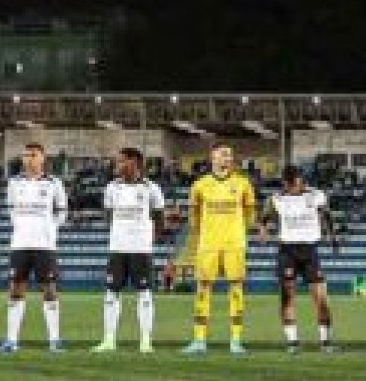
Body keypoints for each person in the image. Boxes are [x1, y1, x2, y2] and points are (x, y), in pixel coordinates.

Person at [183, 142, 256, 356]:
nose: (227, 158)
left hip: (234, 243)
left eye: (230, 155)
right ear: (212, 157)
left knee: (236, 288)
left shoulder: (243, 183)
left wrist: (241, 232)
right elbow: (194, 215)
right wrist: (202, 234)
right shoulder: (200, 185)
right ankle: (199, 340)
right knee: (203, 288)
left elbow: (250, 214)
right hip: (208, 244)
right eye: (223, 154)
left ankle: (235, 340)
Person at [258, 164, 337, 355]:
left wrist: (332, 236)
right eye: (292, 183)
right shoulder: (276, 199)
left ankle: (325, 341)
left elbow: (326, 214)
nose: (297, 186)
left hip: (310, 251)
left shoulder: (316, 195)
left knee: (320, 297)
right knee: (287, 297)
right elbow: (263, 218)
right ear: (285, 183)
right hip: (287, 251)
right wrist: (263, 232)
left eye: (299, 181)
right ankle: (293, 342)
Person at [96, 147, 166, 353]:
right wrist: (119, 233)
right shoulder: (111, 187)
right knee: (111, 293)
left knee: (144, 294)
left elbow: (159, 217)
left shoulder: (151, 188)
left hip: (141, 248)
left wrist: (149, 239)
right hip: (117, 248)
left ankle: (145, 340)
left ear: (134, 162)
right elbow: (108, 214)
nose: (117, 165)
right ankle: (109, 340)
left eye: (121, 161)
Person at [1, 143, 69, 354]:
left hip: (44, 245)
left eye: (33, 155)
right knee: (15, 289)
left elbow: (62, 212)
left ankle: (54, 340)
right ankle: (11, 340)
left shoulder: (53, 183)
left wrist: (48, 228)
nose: (28, 159)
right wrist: (23, 227)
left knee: (49, 290)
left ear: (42, 159)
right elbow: (11, 209)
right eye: (25, 155)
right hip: (20, 244)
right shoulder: (14, 183)